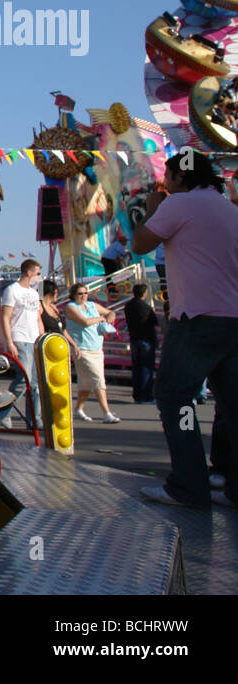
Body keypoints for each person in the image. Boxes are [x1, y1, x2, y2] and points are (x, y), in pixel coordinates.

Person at [131, 151, 238, 508]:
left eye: (168, 174)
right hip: (233, 321)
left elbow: (140, 243)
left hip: (197, 319)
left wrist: (153, 209)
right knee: (232, 405)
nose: (164, 181)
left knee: (176, 398)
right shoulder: (229, 209)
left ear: (179, 177)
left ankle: (189, 485)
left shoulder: (179, 205)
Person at [64, 284, 120, 423]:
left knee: (86, 382)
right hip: (82, 349)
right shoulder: (70, 307)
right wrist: (101, 318)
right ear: (73, 295)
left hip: (96, 348)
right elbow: (84, 322)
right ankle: (107, 413)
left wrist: (109, 316)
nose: (83, 296)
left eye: (85, 293)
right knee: (98, 378)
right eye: (80, 293)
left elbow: (109, 312)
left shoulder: (92, 305)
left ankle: (78, 409)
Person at [1, 259, 43, 427]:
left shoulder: (34, 293)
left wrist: (42, 337)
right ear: (29, 272)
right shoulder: (12, 290)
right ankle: (4, 411)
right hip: (19, 337)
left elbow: (38, 317)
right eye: (38, 273)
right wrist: (9, 341)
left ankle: (34, 418)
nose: (39, 277)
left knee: (35, 383)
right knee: (23, 379)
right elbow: (5, 316)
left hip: (34, 340)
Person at [124, 282, 159, 404]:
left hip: (134, 338)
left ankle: (138, 395)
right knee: (146, 369)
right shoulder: (146, 307)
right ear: (144, 293)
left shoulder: (128, 306)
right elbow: (154, 321)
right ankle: (146, 396)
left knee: (137, 368)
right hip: (146, 339)